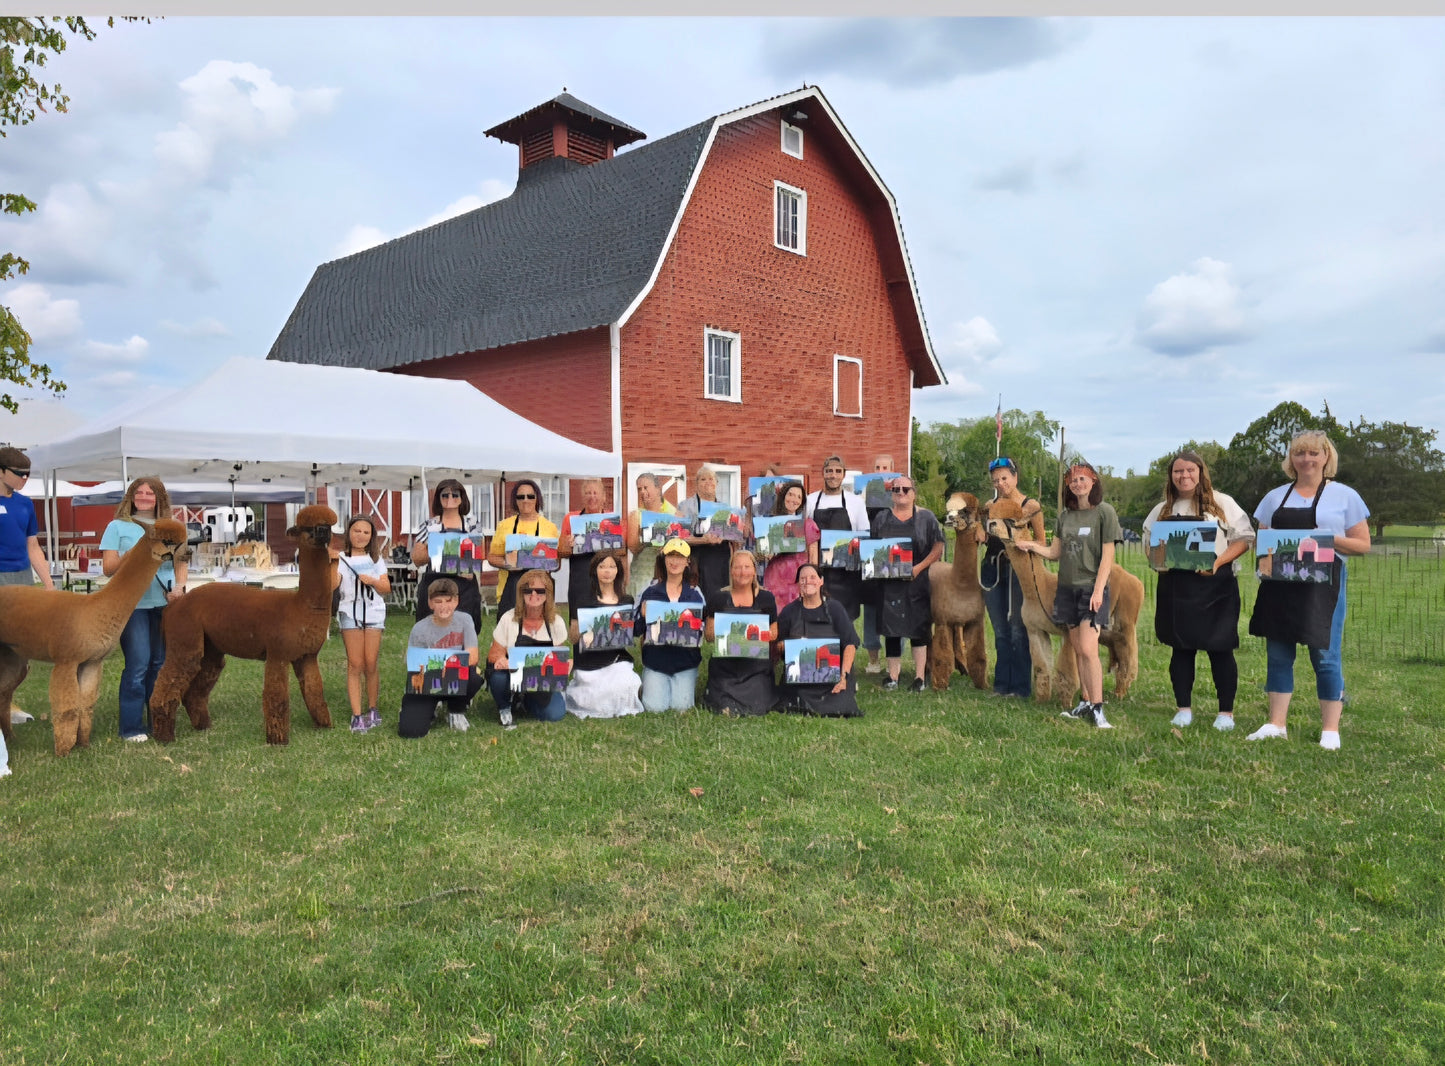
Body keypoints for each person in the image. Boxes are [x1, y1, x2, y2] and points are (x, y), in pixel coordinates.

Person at [1246, 431, 1370, 750]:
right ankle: (1276, 724)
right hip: (1280, 585)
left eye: (1314, 453)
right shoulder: (1274, 498)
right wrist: (1265, 567)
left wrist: (1329, 538)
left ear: (1326, 457)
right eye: (1300, 453)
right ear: (1291, 459)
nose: (1307, 459)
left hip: (1324, 586)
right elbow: (1264, 545)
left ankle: (1330, 729)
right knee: (1278, 654)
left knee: (1326, 655)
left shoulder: (1345, 496)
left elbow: (1363, 545)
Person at [1142, 451, 1254, 732]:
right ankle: (1183, 709)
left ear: (1201, 472)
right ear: (1171, 476)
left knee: (1220, 649)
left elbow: (1243, 539)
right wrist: (1158, 562)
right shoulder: (1162, 509)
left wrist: (1217, 562)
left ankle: (1225, 713)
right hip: (1175, 588)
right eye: (1178, 471)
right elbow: (1148, 542)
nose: (1184, 476)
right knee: (1181, 649)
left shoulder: (1223, 503)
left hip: (1216, 585)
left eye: (1190, 470)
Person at [1014, 461, 1120, 729]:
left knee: (1088, 648)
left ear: (1093, 480)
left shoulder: (1104, 513)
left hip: (1090, 590)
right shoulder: (1066, 516)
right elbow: (1055, 552)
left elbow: (1108, 555)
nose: (1077, 483)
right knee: (1076, 647)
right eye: (1072, 480)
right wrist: (1030, 546)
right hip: (1067, 589)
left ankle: (1098, 708)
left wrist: (1098, 591)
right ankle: (1085, 701)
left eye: (1082, 478)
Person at [99, 477, 187, 742]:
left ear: (159, 498)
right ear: (131, 496)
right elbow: (108, 569)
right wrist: (137, 550)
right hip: (133, 604)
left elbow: (181, 562)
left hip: (165, 602)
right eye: (139, 492)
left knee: (160, 664)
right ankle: (131, 727)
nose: (144, 497)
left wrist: (181, 586)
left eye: (150, 493)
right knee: (138, 665)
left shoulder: (173, 527)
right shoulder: (117, 527)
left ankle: (157, 721)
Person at [975, 457, 1045, 699]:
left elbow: (1042, 541)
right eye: (996, 480)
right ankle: (1001, 685)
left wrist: (1026, 544)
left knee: (1017, 627)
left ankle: (1021, 686)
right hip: (993, 567)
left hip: (1019, 570)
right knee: (1000, 629)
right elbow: (982, 529)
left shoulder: (1030, 505)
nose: (1000, 483)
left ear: (1015, 477)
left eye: (1005, 478)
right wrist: (980, 532)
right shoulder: (990, 505)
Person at [868, 473, 944, 692]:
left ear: (914, 493)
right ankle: (893, 676)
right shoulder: (881, 518)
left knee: (918, 628)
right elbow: (872, 549)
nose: (900, 493)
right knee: (891, 630)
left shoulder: (927, 518)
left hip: (916, 582)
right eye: (896, 489)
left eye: (905, 489)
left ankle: (920, 678)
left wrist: (919, 568)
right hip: (888, 584)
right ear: (891, 494)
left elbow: (938, 546)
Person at [331, 513, 392, 733]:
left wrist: (374, 580)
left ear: (371, 536)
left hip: (374, 612)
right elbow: (331, 584)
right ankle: (357, 715)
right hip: (349, 611)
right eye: (357, 531)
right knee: (355, 664)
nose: (361, 535)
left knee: (370, 662)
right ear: (349, 532)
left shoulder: (376, 559)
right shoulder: (340, 558)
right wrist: (332, 563)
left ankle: (373, 708)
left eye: (366, 532)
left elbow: (386, 588)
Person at [775, 562, 862, 717]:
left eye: (812, 577)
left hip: (832, 679)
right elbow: (777, 645)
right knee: (791, 704)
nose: (808, 581)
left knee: (842, 708)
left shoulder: (835, 608)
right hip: (800, 679)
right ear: (798, 584)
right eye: (803, 579)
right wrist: (786, 646)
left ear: (821, 581)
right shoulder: (789, 611)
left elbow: (850, 643)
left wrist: (843, 677)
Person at [564, 552, 644, 718]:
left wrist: (643, 616)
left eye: (612, 567)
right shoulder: (583, 600)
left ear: (618, 571)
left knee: (625, 683)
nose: (607, 571)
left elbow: (633, 633)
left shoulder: (626, 600)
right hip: (589, 661)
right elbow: (573, 639)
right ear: (594, 571)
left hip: (616, 658)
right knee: (594, 695)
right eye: (602, 567)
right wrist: (576, 625)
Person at [399, 578, 482, 737]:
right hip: (428, 680)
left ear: (456, 601)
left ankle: (456, 709)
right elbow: (414, 664)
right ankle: (430, 707)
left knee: (474, 675)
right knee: (410, 731)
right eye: (438, 601)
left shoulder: (465, 620)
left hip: (454, 676)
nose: (444, 606)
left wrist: (443, 663)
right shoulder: (419, 628)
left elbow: (473, 657)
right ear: (430, 603)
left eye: (448, 601)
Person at [487, 569, 570, 727]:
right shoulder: (508, 618)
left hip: (540, 680)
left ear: (548, 594)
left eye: (540, 590)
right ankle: (505, 706)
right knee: (497, 677)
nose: (534, 594)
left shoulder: (556, 622)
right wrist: (503, 660)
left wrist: (565, 665)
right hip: (512, 677)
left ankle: (525, 701)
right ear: (521, 593)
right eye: (528, 590)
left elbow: (558, 657)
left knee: (555, 714)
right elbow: (493, 655)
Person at [702, 549, 778, 716]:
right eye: (737, 567)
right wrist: (726, 634)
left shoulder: (766, 598)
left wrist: (756, 636)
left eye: (747, 567)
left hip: (756, 665)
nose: (743, 572)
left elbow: (774, 632)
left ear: (754, 570)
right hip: (726, 666)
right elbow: (708, 636)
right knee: (723, 705)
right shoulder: (718, 598)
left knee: (759, 706)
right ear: (731, 571)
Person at [634, 538, 705, 712]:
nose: (674, 561)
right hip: (656, 661)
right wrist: (643, 616)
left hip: (685, 661)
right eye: (671, 556)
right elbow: (635, 630)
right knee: (654, 708)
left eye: (680, 557)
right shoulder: (649, 591)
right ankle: (648, 684)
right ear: (663, 559)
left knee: (681, 707)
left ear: (687, 562)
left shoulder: (695, 595)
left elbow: (701, 633)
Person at [411, 479, 484, 633]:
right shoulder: (430, 525)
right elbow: (417, 558)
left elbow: (477, 557)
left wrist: (437, 547)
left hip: (464, 586)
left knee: (464, 632)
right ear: (438, 498)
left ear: (462, 498)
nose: (450, 498)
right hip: (434, 585)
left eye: (455, 494)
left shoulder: (472, 524)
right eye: (445, 495)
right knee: (432, 633)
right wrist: (449, 550)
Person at [804, 454, 869, 623]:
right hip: (820, 573)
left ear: (844, 474)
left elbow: (865, 536)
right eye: (829, 471)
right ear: (823, 473)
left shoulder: (856, 502)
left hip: (848, 576)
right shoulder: (810, 501)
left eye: (838, 471)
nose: (833, 475)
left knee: (846, 623)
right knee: (820, 620)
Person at [488, 479, 560, 618]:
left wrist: (550, 562)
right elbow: (492, 557)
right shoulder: (504, 526)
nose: (525, 500)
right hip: (510, 590)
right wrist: (507, 564)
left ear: (537, 498)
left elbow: (557, 563)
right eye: (520, 497)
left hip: (540, 590)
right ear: (515, 500)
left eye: (530, 496)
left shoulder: (550, 527)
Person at [558, 478, 626, 621]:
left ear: (604, 497)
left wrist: (609, 542)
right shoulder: (571, 518)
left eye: (596, 493)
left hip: (608, 581)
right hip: (580, 581)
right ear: (583, 497)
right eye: (588, 493)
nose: (592, 497)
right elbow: (561, 552)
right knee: (579, 623)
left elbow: (622, 551)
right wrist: (569, 545)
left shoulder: (614, 520)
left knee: (606, 621)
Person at [675, 463, 734, 602]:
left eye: (711, 479)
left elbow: (734, 539)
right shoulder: (685, 506)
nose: (708, 482)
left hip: (721, 559)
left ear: (716, 483)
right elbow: (678, 537)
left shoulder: (726, 508)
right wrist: (703, 540)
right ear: (696, 484)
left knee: (720, 599)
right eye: (703, 479)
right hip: (696, 558)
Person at [759, 480, 819, 611]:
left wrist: (811, 582)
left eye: (799, 497)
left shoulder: (808, 524)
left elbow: (814, 558)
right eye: (791, 494)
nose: (794, 499)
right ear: (783, 496)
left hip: (798, 578)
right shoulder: (769, 524)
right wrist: (764, 553)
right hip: (775, 577)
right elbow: (759, 553)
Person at [859, 453, 895, 673]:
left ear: (892, 469)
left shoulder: (901, 492)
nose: (880, 471)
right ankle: (873, 660)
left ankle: (894, 658)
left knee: (893, 608)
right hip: (870, 558)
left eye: (885, 467)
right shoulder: (864, 494)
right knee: (871, 608)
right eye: (877, 467)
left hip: (893, 557)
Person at [0, 446, 53, 591]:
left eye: (27, 474)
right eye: (19, 473)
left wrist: (48, 584)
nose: (25, 478)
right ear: (1, 472)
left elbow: (33, 545)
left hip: (24, 576)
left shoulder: (26, 503)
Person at [625, 471, 676, 599]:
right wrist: (646, 536)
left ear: (658, 489)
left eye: (646, 487)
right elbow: (632, 547)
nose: (642, 492)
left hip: (667, 575)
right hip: (642, 576)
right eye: (639, 489)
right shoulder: (636, 515)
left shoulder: (674, 514)